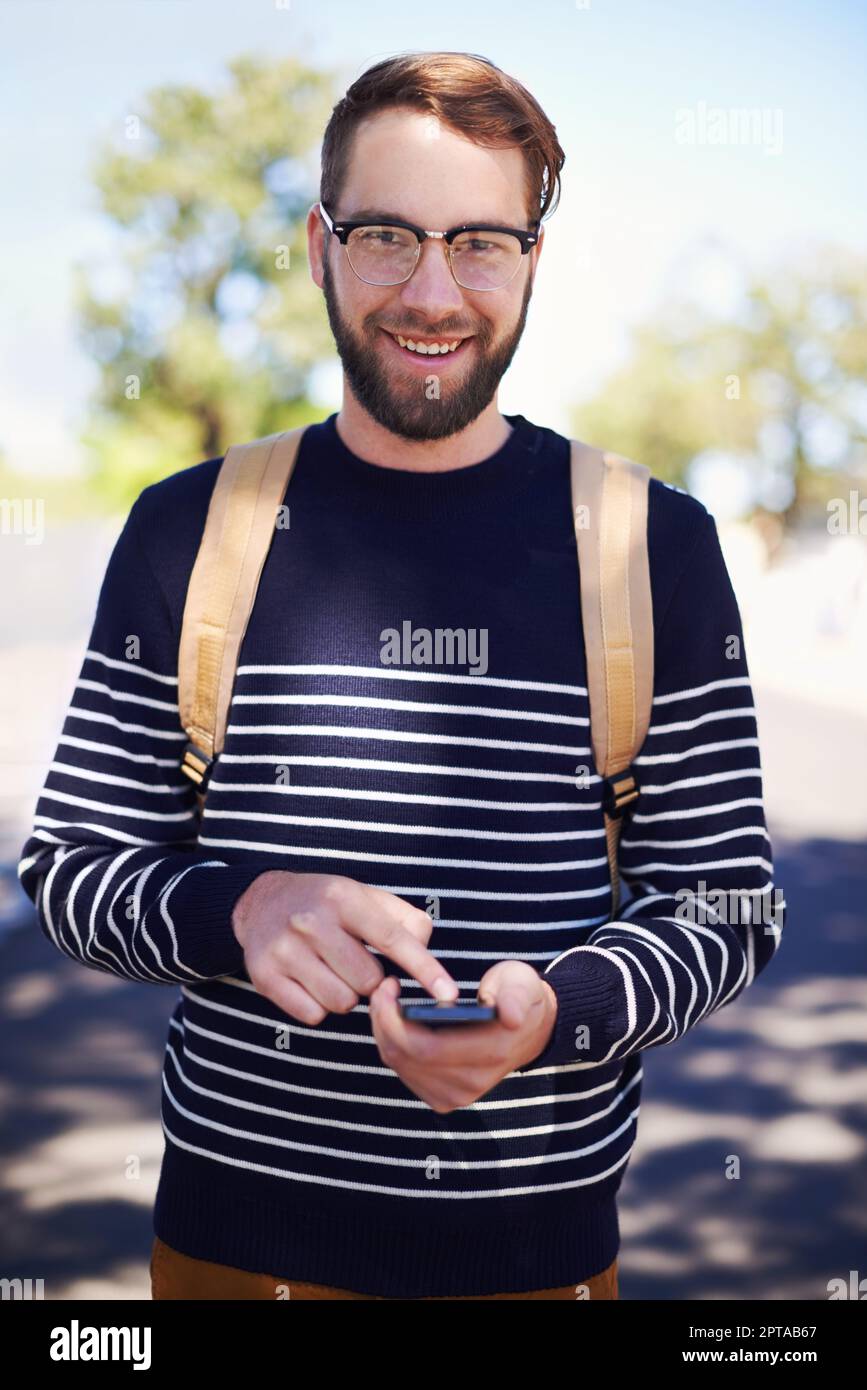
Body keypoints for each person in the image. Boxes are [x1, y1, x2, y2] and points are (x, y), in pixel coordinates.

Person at [18, 51, 784, 1301]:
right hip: (227, 1259)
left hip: (536, 1265)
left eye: (481, 241)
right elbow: (71, 871)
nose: (433, 291)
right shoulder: (188, 527)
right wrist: (240, 910)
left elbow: (726, 907)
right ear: (319, 248)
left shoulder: (656, 544)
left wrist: (565, 1008)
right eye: (388, 235)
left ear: (534, 258)